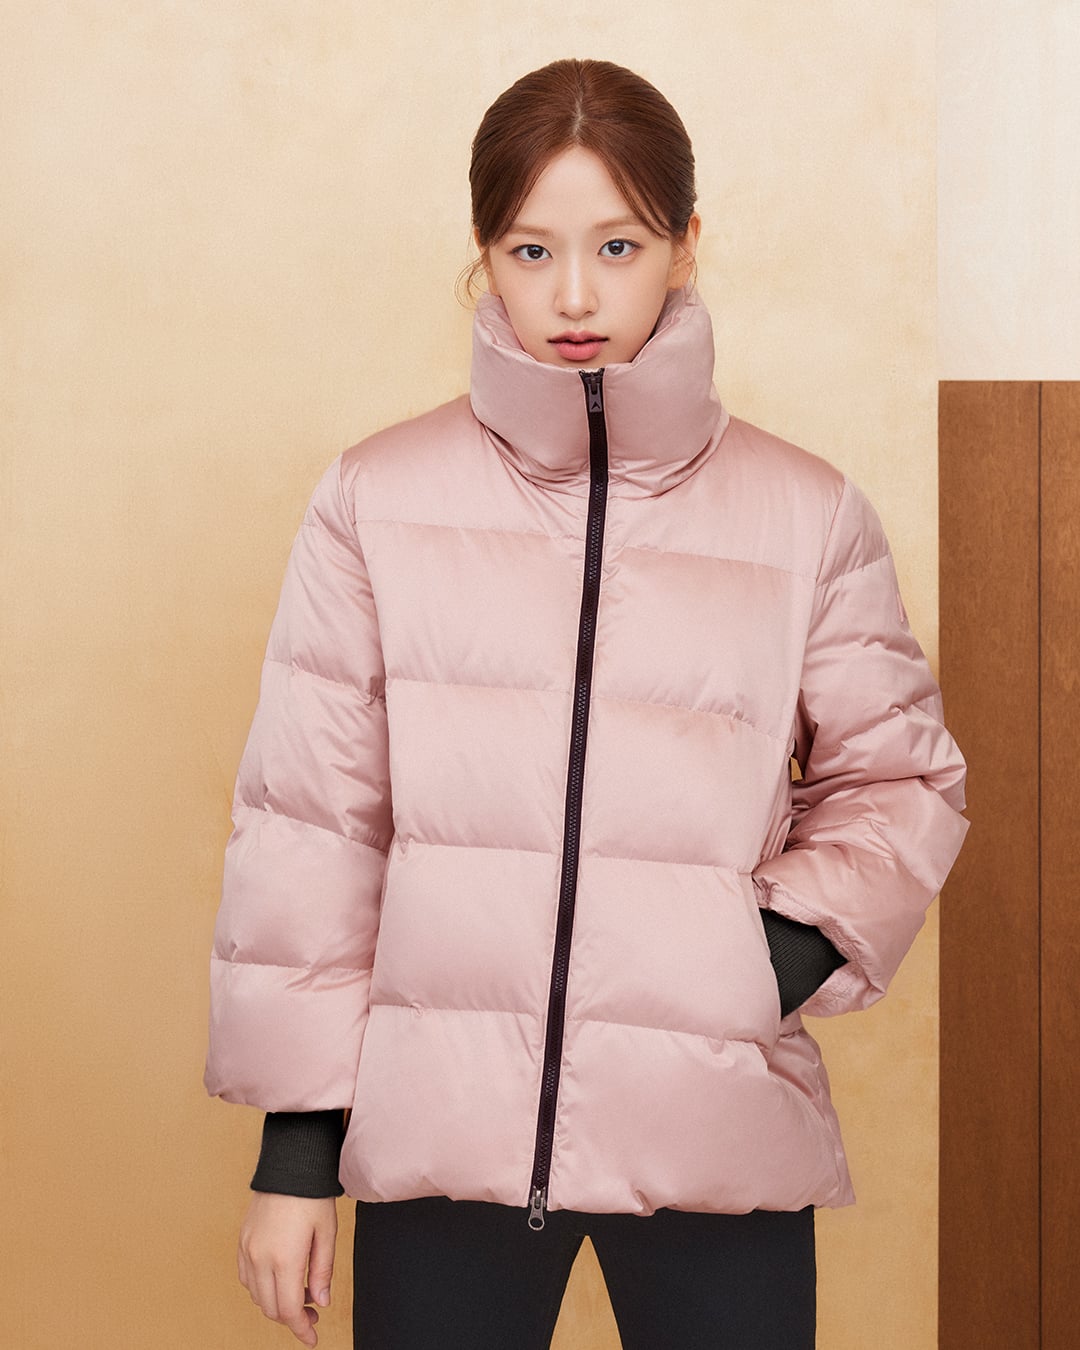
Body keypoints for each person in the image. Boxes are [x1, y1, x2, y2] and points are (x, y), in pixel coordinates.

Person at [205, 58, 968, 1350]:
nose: (573, 294)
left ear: (684, 246)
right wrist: (296, 1157)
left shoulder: (808, 512)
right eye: (531, 249)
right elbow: (313, 831)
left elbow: (899, 782)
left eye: (618, 246)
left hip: (712, 1126)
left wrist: (754, 968)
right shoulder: (374, 500)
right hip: (442, 1138)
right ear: (483, 257)